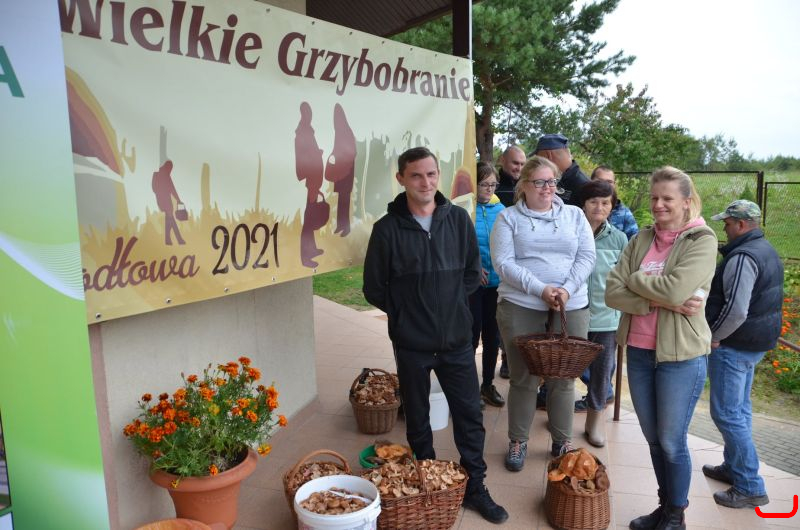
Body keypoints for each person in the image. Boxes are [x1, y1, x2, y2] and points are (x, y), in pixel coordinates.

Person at [363, 147, 508, 524]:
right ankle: (426, 481)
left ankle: (475, 486)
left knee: (469, 415)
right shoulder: (386, 229)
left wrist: (450, 307)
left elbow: (471, 273)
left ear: (437, 176)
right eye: (416, 175)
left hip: (456, 340)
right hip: (411, 344)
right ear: (401, 179)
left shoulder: (457, 219)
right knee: (418, 418)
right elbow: (373, 288)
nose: (425, 182)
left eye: (430, 174)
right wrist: (408, 314)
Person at [605, 166, 718, 530]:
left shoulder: (701, 240)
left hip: (680, 357)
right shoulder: (641, 239)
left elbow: (674, 289)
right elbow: (612, 292)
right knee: (653, 440)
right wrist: (660, 299)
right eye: (655, 198)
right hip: (639, 351)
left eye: (667, 198)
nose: (658, 205)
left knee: (671, 441)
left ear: (686, 201)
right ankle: (663, 505)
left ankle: (675, 515)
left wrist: (638, 281)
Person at [491, 156, 595, 471]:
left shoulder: (575, 215)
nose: (548, 188)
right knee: (523, 378)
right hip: (521, 306)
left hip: (570, 305)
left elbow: (586, 256)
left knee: (564, 377)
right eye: (539, 182)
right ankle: (518, 440)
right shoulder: (508, 218)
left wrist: (567, 289)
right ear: (524, 185)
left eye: (552, 181)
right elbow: (503, 263)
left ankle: (562, 441)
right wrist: (541, 289)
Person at [702, 200, 782, 509]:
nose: (724, 228)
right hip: (754, 344)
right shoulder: (766, 249)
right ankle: (734, 468)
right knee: (740, 410)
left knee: (727, 413)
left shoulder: (743, 256)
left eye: (727, 223)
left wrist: (714, 336)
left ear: (741, 224)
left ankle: (749, 485)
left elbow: (735, 310)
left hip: (734, 345)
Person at [578, 180, 628, 447]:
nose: (599, 207)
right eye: (594, 201)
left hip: (606, 317)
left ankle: (594, 421)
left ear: (612, 206)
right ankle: (556, 413)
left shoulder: (619, 238)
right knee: (563, 368)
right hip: (572, 313)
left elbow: (624, 278)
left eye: (605, 202)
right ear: (583, 204)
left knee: (602, 372)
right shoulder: (572, 231)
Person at [471, 162, 506, 407]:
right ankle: (470, 388)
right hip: (472, 287)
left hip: (496, 285)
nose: (489, 189)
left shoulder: (502, 211)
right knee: (471, 337)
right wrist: (472, 267)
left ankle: (487, 385)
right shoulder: (464, 209)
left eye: (493, 184)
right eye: (484, 184)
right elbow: (457, 245)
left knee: (492, 337)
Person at [494, 146, 526, 379]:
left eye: (523, 164)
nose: (519, 168)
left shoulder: (527, 188)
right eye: (515, 163)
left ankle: (513, 358)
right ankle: (505, 356)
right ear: (502, 161)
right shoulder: (494, 188)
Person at [533, 133, 589, 206]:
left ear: (548, 155)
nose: (537, 162)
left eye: (538, 157)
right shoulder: (561, 178)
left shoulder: (584, 186)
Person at [591, 165, 639, 240]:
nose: (604, 185)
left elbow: (635, 242)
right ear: (590, 182)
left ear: (614, 185)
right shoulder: (580, 208)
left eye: (609, 182)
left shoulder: (624, 214)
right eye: (600, 181)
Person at [151, 160, 185, 246]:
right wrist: (177, 200)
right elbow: (156, 188)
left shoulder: (160, 175)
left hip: (164, 201)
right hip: (165, 201)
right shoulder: (161, 175)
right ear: (167, 167)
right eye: (170, 168)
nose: (170, 170)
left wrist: (178, 200)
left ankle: (168, 239)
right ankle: (179, 239)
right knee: (171, 219)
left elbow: (171, 189)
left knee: (169, 219)